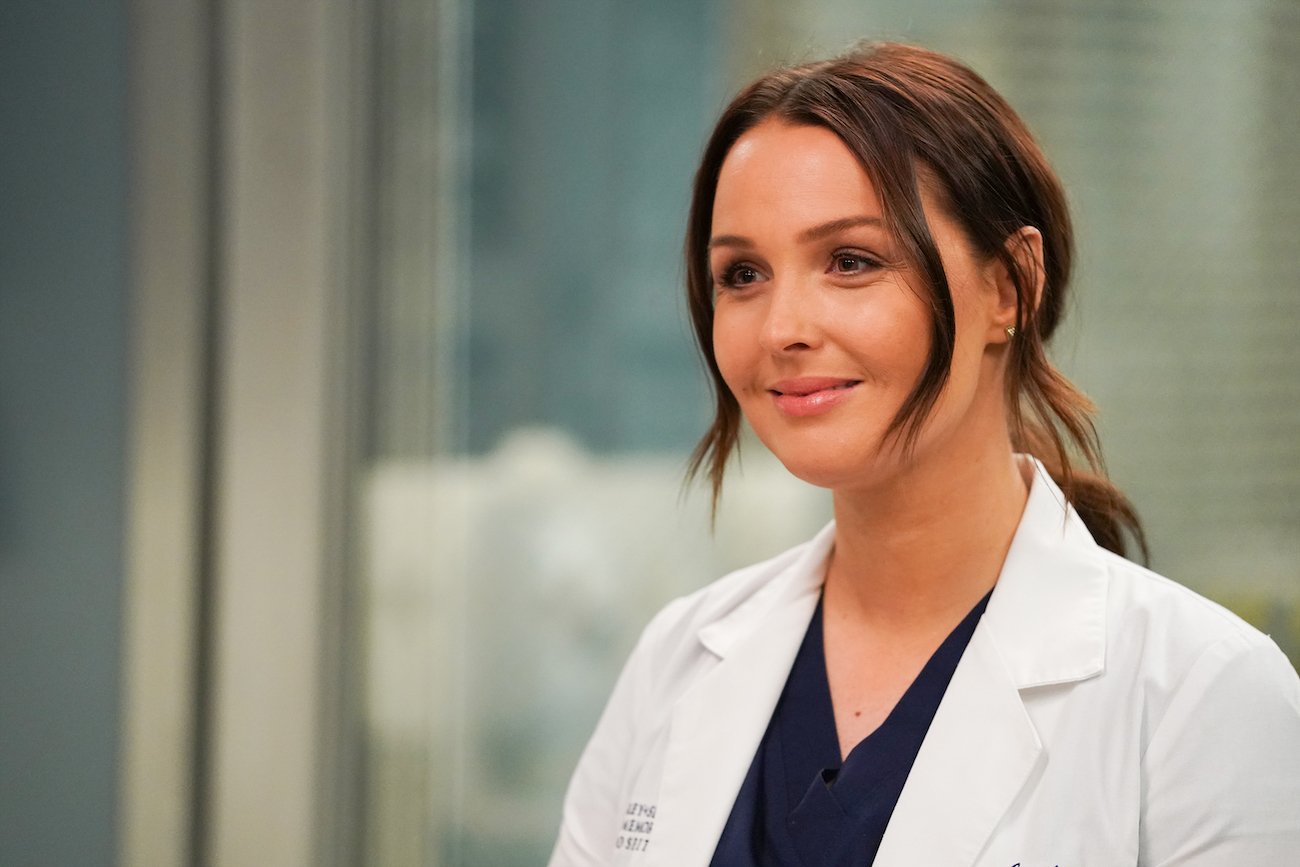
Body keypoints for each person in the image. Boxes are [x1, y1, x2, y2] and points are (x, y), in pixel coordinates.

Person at [547, 42, 1300, 866]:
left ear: (1010, 285)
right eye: (743, 274)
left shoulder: (1201, 693)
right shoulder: (677, 659)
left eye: (851, 262)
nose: (782, 328)